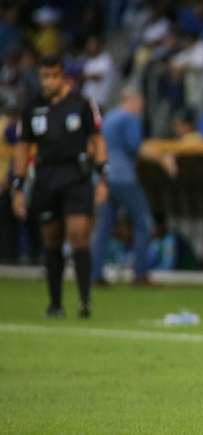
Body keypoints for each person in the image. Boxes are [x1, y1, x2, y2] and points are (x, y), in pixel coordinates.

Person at [12, 54, 108, 318]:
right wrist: (18, 186)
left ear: (63, 76)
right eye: (44, 76)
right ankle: (55, 303)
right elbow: (22, 148)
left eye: (53, 76)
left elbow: (98, 140)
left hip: (76, 175)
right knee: (51, 239)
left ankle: (85, 300)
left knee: (78, 234)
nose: (48, 82)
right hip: (46, 176)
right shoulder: (32, 107)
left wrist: (103, 176)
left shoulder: (83, 104)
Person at [91, 88, 152, 286]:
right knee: (143, 222)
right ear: (132, 100)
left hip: (105, 178)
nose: (141, 107)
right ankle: (140, 274)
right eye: (140, 103)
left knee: (104, 227)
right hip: (124, 177)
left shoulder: (109, 118)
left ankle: (95, 274)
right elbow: (135, 146)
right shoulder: (130, 118)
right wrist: (163, 160)